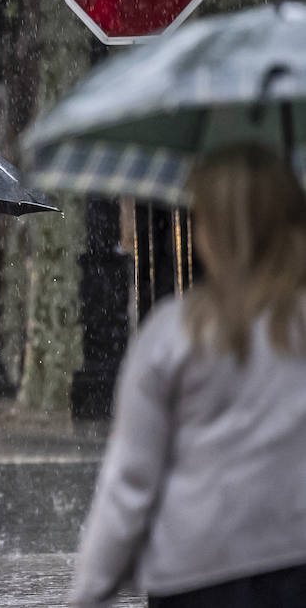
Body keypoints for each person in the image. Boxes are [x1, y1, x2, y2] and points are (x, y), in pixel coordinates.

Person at [70, 143, 306, 607]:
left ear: (213, 230)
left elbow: (129, 484)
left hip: (194, 570)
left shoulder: (170, 334)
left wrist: (88, 593)